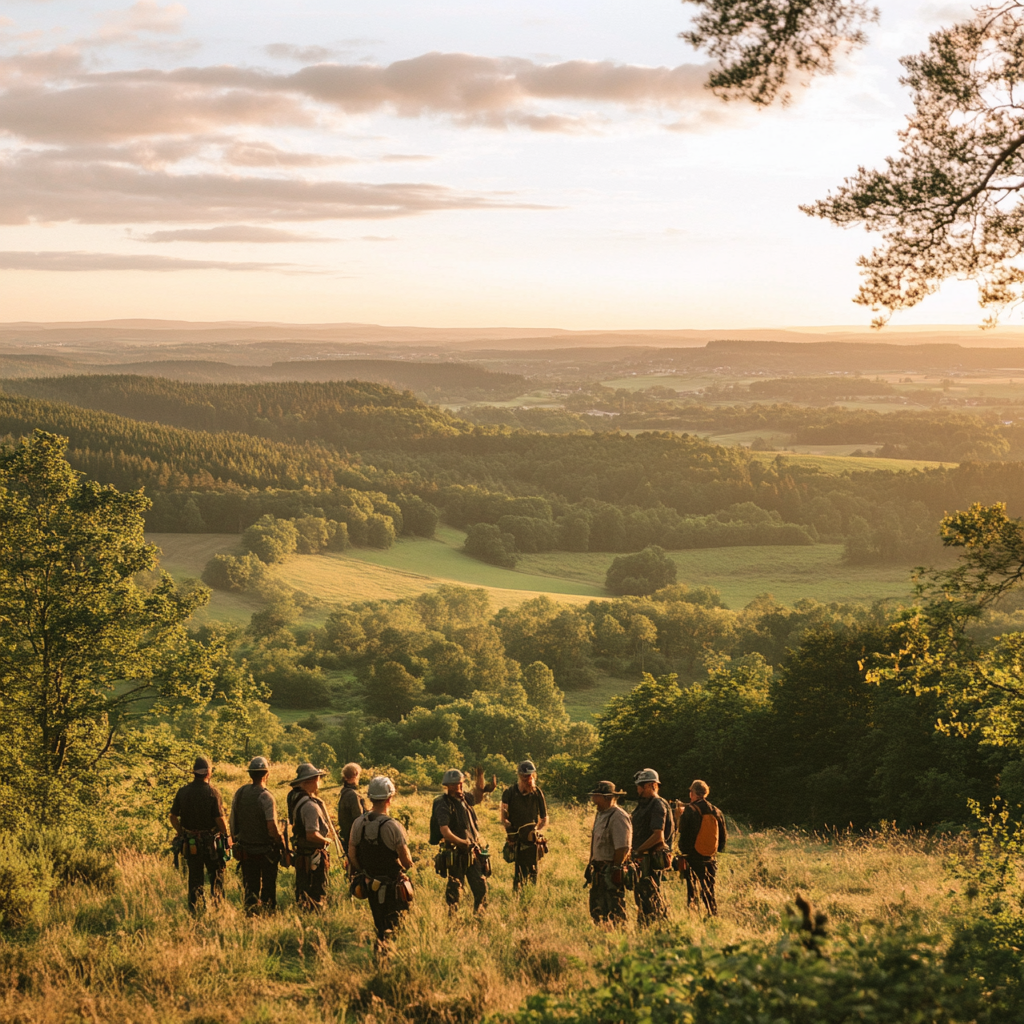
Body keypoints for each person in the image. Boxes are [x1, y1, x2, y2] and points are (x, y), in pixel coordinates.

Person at [349, 775, 414, 953]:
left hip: (370, 884)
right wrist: (410, 870)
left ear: (370, 797)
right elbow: (406, 860)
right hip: (393, 886)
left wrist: (365, 872)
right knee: (395, 925)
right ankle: (387, 959)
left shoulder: (358, 823)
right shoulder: (393, 826)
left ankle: (381, 957)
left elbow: (352, 854)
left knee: (380, 923)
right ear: (389, 798)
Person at [169, 755, 231, 914]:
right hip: (211, 844)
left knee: (195, 879)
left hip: (191, 843)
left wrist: (182, 832)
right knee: (216, 877)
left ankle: (195, 910)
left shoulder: (183, 792)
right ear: (208, 772)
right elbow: (220, 820)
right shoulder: (212, 792)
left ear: (194, 773)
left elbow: (173, 817)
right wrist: (226, 836)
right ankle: (218, 909)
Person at [229, 755, 283, 915]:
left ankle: (251, 915)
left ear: (250, 774)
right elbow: (271, 826)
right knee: (268, 886)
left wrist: (236, 842)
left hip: (245, 849)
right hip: (266, 851)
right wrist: (280, 842)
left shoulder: (240, 793)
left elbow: (232, 821)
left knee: (250, 887)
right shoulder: (267, 797)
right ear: (267, 774)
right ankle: (268, 915)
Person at [432, 768, 489, 914]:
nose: (459, 786)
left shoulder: (464, 799)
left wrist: (480, 776)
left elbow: (478, 796)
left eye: (461, 783)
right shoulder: (443, 804)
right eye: (456, 784)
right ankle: (453, 919)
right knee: (455, 890)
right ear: (448, 786)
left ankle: (479, 915)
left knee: (480, 886)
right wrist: (461, 842)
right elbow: (444, 831)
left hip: (472, 851)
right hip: (455, 853)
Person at [676, 779, 727, 915]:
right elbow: (723, 837)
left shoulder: (690, 810)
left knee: (692, 887)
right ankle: (712, 912)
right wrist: (715, 850)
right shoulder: (716, 811)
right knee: (709, 887)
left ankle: (692, 913)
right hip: (710, 855)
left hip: (693, 855)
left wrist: (683, 850)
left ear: (693, 793)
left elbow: (683, 832)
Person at [630, 767, 673, 927]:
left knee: (651, 897)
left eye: (641, 785)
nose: (638, 789)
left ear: (651, 785)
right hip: (642, 859)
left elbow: (658, 836)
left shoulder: (657, 804)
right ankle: (645, 928)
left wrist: (637, 850)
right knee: (641, 898)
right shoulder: (643, 805)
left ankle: (660, 929)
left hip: (650, 860)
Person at [287, 762, 333, 911]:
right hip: (313, 857)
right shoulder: (310, 806)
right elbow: (312, 835)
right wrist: (326, 840)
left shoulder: (298, 800)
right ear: (309, 781)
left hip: (304, 856)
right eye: (317, 778)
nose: (319, 781)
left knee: (303, 891)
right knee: (316, 893)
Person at [586, 780, 632, 926]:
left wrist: (614, 870)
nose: (594, 800)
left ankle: (619, 940)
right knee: (597, 910)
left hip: (610, 871)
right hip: (598, 871)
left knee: (614, 910)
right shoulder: (600, 815)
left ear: (607, 797)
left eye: (597, 796)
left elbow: (623, 848)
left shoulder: (618, 817)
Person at [500, 760, 549, 892]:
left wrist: (536, 831)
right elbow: (504, 818)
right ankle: (517, 897)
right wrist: (511, 834)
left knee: (533, 870)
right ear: (519, 776)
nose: (528, 779)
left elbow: (544, 818)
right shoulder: (509, 793)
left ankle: (531, 895)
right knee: (519, 872)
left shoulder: (537, 793)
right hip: (516, 836)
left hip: (532, 838)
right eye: (525, 776)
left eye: (530, 776)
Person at [337, 762, 367, 861]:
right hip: (355, 838)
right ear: (355, 775)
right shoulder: (352, 795)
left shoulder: (344, 792)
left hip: (347, 835)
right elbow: (359, 818)